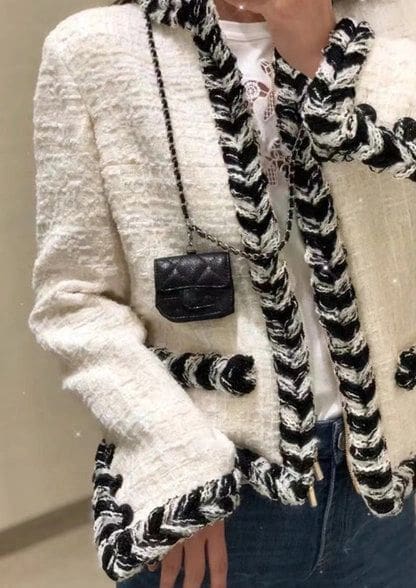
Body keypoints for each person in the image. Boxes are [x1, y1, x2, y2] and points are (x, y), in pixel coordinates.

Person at [28, 0, 416, 586]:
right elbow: (74, 300)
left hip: (390, 479)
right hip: (222, 491)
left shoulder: (394, 24)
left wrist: (325, 57)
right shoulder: (95, 51)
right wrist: (181, 465)